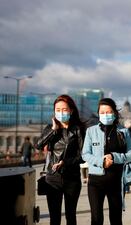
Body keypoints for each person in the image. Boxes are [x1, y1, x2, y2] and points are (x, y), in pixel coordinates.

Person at [82, 98, 131, 225]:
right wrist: (101, 161)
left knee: (116, 219)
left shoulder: (123, 131)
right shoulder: (91, 131)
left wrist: (114, 157)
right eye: (102, 112)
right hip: (95, 181)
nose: (105, 115)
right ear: (99, 114)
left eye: (109, 112)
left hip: (116, 181)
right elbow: (85, 154)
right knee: (96, 219)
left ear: (114, 113)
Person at [35, 95, 85, 225]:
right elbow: (38, 145)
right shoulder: (50, 128)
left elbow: (83, 155)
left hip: (72, 178)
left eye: (64, 109)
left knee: (71, 216)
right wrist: (53, 130)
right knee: (54, 218)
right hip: (52, 179)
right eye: (58, 110)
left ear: (71, 111)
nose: (61, 113)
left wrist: (66, 162)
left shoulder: (78, 129)